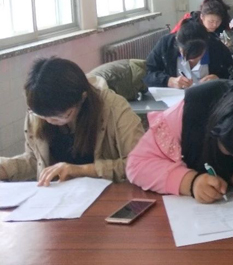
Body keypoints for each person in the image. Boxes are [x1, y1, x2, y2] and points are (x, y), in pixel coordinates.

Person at [0, 57, 144, 184]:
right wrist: (6, 168)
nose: (50, 121)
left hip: (109, 194)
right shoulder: (38, 112)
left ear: (82, 98)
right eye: (43, 116)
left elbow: (140, 163)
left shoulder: (114, 109)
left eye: (62, 116)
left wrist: (81, 170)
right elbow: (35, 160)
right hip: (61, 197)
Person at [145, 18, 233, 89]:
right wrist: (168, 81)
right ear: (177, 43)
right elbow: (146, 72)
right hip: (174, 99)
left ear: (206, 46)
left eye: (198, 55)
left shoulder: (217, 47)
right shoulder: (166, 45)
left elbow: (232, 75)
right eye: (186, 54)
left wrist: (219, 79)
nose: (192, 60)